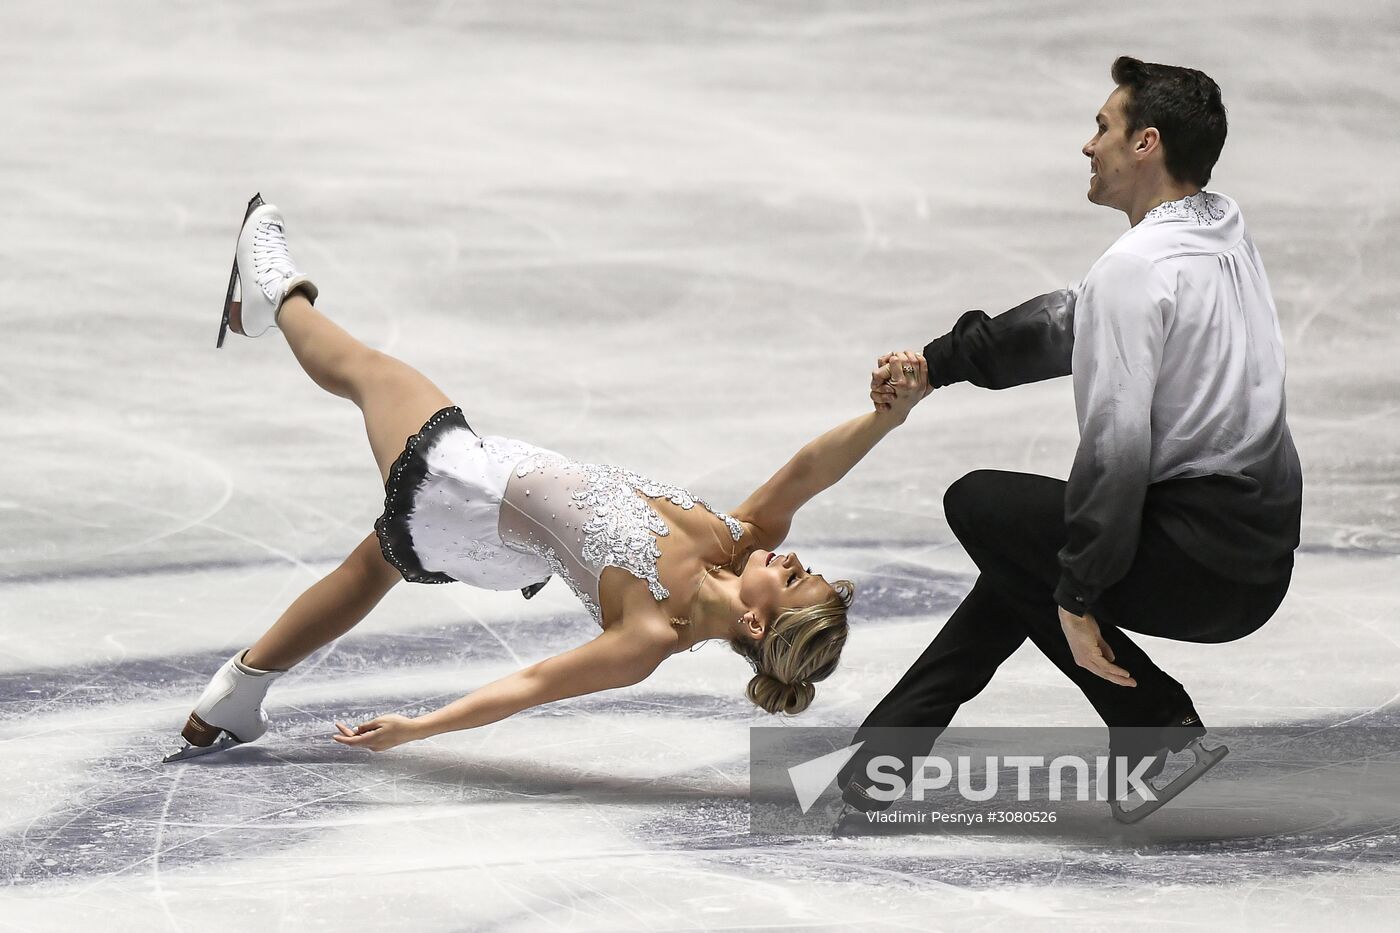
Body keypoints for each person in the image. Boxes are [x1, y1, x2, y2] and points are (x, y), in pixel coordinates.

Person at [165, 196, 932, 762]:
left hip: (467, 486)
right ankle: (235, 695)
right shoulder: (741, 539)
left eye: (801, 581)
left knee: (370, 373)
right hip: (499, 541)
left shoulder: (650, 635)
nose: (800, 561)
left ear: (760, 625)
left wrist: (418, 728)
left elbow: (534, 683)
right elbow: (808, 470)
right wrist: (885, 420)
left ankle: (274, 293)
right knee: (375, 563)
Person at [842, 57, 1302, 822]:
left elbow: (1115, 454)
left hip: (1200, 566)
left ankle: (1156, 721)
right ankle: (883, 754)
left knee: (983, 506)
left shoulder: (1136, 268)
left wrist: (1082, 595)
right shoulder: (1219, 226)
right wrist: (938, 363)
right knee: (1024, 565)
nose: (1088, 146)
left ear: (1146, 143)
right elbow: (1066, 323)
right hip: (1258, 563)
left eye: (1103, 127)